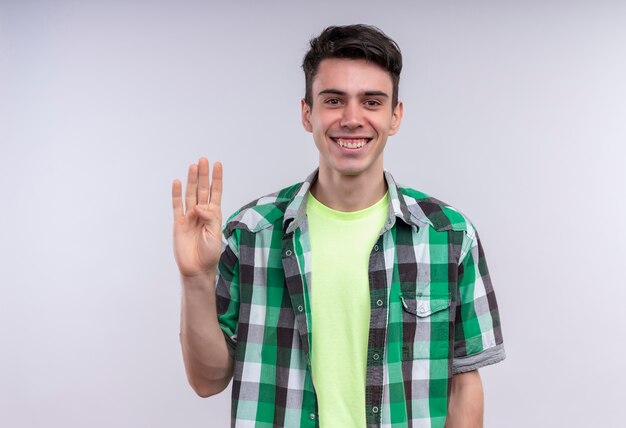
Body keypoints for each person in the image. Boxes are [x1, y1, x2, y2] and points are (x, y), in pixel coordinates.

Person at [171, 24, 505, 428]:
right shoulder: (250, 234)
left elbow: (464, 387)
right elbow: (207, 381)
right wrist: (197, 278)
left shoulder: (449, 236)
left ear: (395, 115)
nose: (352, 118)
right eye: (334, 100)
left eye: (372, 101)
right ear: (307, 113)